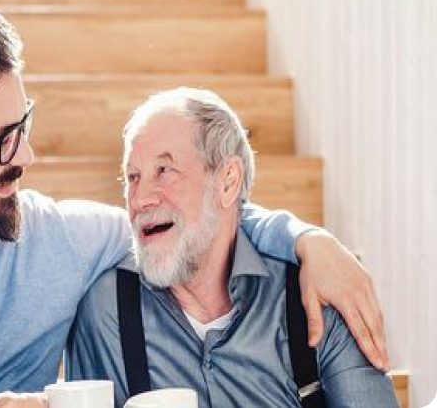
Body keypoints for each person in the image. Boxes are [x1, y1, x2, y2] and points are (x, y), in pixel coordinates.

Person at [0, 0, 386, 408]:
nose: (25, 156)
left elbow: (195, 217)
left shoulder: (61, 237)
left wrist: (309, 241)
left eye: (23, 123)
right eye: (2, 141)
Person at [66, 88, 399, 408]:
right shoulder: (106, 311)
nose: (140, 200)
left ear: (227, 182)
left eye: (164, 171)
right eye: (132, 177)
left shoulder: (316, 297)